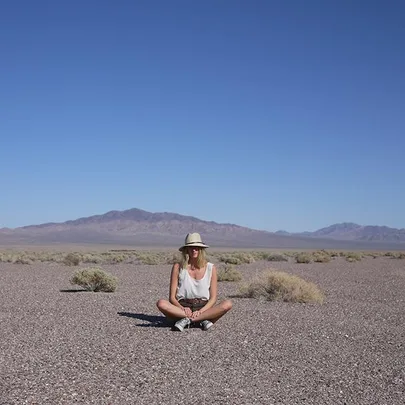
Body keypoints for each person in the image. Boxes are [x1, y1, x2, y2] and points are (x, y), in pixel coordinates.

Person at [156, 232, 232, 331]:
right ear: (186, 250)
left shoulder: (210, 268)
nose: (194, 250)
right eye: (191, 247)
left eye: (197, 247)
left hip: (204, 307)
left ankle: (188, 320)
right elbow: (172, 298)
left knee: (227, 304)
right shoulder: (178, 267)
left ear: (201, 249)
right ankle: (201, 320)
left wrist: (201, 311)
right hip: (182, 307)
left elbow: (213, 298)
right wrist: (182, 308)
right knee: (161, 303)